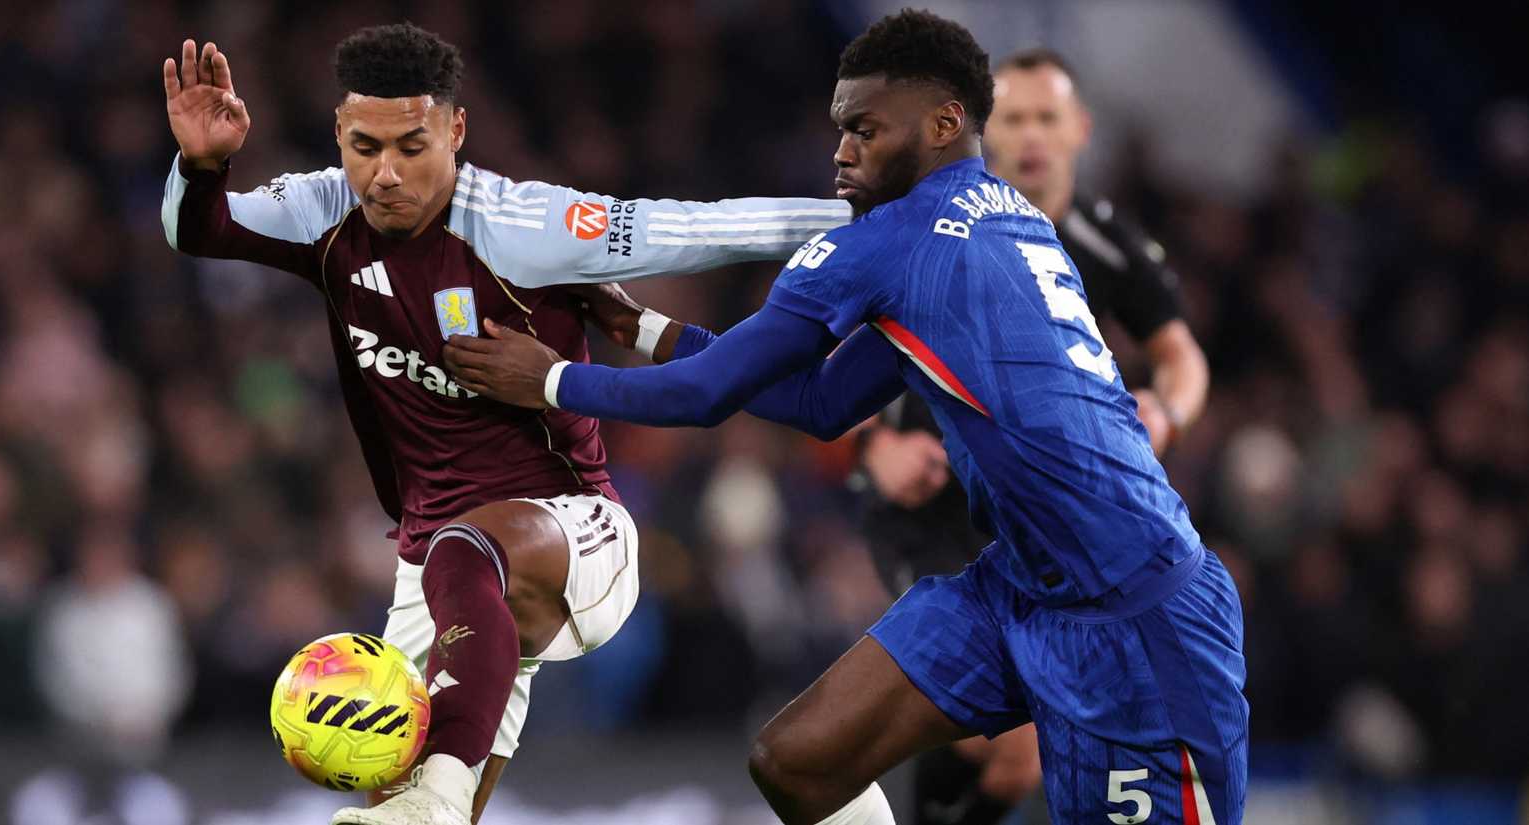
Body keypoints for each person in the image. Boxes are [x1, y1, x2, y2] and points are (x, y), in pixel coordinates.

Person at [442, 10, 1247, 825]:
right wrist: (652, 333)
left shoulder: (896, 238)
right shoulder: (1000, 214)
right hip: (1021, 586)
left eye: (864, 128)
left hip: (1137, 617)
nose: (842, 151)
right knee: (798, 760)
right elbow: (825, 402)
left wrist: (552, 382)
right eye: (840, 129)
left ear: (944, 123)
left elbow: (707, 395)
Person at [159, 24, 850, 825]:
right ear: (339, 137)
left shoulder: (523, 226)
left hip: (578, 537)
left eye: (412, 145)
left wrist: (878, 215)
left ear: (455, 129)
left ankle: (442, 795)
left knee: (463, 564)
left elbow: (700, 229)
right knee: (398, 769)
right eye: (364, 146)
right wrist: (203, 164)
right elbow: (197, 230)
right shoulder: (323, 211)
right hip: (436, 571)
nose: (385, 174)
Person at [853, 48, 1212, 825]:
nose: (1032, 136)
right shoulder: (935, 221)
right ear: (985, 133)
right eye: (1012, 118)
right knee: (1008, 739)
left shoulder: (1106, 239)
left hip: (1032, 528)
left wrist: (1166, 412)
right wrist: (871, 447)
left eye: (1047, 116)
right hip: (929, 509)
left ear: (1080, 129)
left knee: (995, 751)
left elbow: (1183, 357)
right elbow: (835, 346)